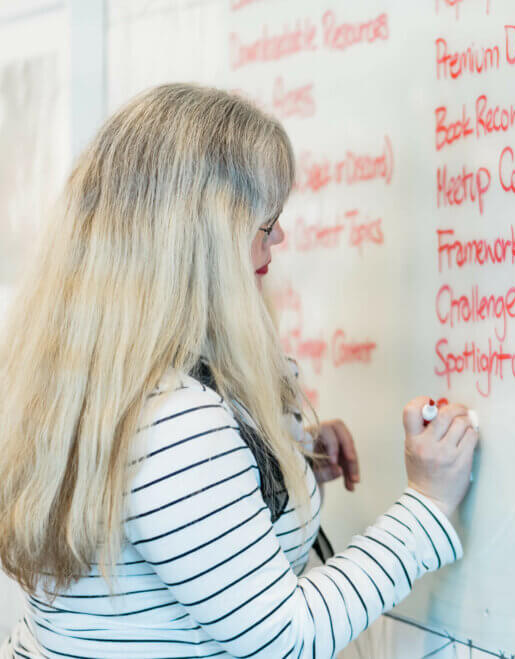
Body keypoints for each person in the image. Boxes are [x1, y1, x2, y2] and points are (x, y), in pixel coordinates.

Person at [0, 83, 478, 658]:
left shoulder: (94, 381)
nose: (280, 236)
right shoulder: (175, 424)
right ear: (199, 240)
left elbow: (176, 517)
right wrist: (428, 501)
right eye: (265, 219)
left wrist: (277, 465)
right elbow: (286, 638)